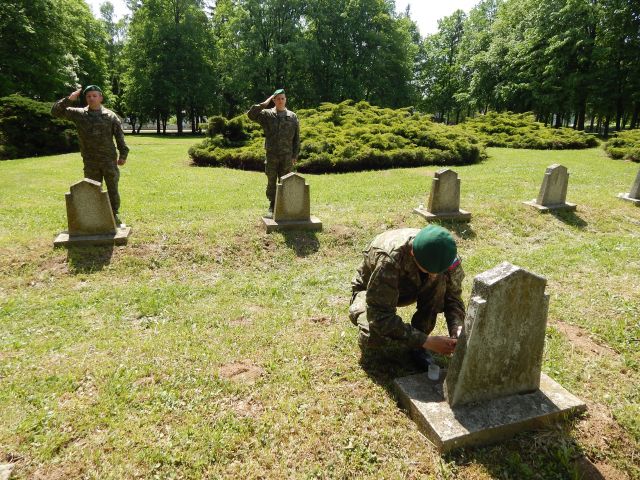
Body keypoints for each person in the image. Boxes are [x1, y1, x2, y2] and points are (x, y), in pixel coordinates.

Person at [349, 225, 465, 368]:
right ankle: (417, 340)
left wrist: (457, 327)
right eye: (428, 270)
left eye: (437, 271)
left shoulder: (447, 256)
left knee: (439, 283)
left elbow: (453, 298)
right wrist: (426, 341)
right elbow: (379, 316)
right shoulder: (390, 259)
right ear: (412, 253)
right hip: (371, 291)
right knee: (374, 337)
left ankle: (418, 342)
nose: (433, 275)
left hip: (410, 287)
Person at [51, 85, 129, 225]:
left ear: (100, 98)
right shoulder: (79, 114)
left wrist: (123, 155)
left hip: (108, 160)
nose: (91, 98)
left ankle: (113, 214)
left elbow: (119, 137)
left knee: (112, 188)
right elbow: (55, 112)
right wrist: (69, 99)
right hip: (90, 160)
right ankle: (94, 217)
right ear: (86, 99)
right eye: (88, 96)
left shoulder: (110, 116)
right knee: (92, 189)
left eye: (94, 95)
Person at [247, 89, 300, 218]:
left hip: (287, 156)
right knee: (271, 181)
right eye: (277, 99)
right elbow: (251, 115)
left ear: (285, 100)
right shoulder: (267, 115)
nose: (280, 101)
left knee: (286, 181)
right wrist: (265, 103)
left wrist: (295, 155)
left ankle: (285, 206)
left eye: (282, 98)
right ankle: (272, 206)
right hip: (272, 155)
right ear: (274, 100)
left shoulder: (292, 116)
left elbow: (296, 138)